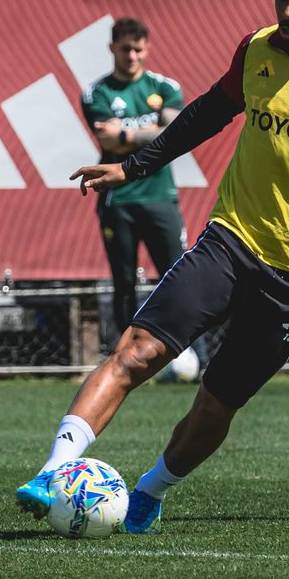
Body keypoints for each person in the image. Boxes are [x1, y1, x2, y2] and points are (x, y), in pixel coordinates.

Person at [15, 0, 289, 532]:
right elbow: (209, 111)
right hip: (230, 242)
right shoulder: (258, 49)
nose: (286, 10)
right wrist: (133, 167)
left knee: (217, 401)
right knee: (135, 351)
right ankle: (53, 471)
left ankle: (151, 491)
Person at [80, 18, 186, 352]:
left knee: (177, 277)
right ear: (112, 48)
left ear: (147, 48)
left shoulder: (165, 87)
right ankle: (126, 355)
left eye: (138, 49)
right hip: (118, 199)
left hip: (160, 196)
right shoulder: (97, 92)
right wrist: (151, 133)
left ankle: (186, 351)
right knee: (124, 281)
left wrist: (126, 134)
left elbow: (174, 134)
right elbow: (108, 141)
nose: (132, 56)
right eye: (125, 49)